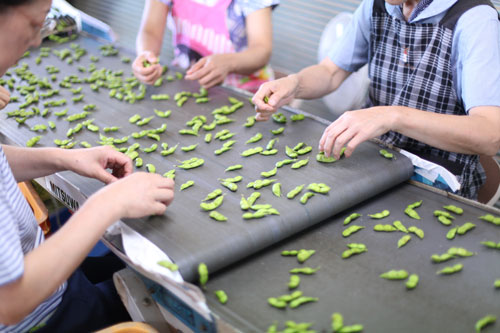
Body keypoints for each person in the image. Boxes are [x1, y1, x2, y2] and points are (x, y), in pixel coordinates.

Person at [0, 1, 175, 332]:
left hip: (52, 288)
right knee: (164, 295)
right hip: (44, 319)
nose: (38, 40)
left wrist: (64, 158)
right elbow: (9, 302)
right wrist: (109, 203)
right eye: (34, 24)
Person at [253, 0, 500, 199]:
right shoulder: (376, 6)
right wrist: (295, 84)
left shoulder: (475, 20)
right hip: (373, 163)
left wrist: (393, 115)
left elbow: (490, 134)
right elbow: (330, 72)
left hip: (438, 180)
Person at [132, 0, 278, 92]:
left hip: (245, 91)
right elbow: (150, 31)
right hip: (188, 83)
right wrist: (146, 54)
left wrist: (228, 63)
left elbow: (261, 50)